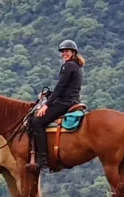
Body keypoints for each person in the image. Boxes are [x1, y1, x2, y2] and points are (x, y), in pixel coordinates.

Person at [29, 40, 85, 170]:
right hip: (72, 100)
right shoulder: (76, 66)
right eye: (63, 52)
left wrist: (46, 105)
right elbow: (64, 87)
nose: (64, 53)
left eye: (67, 51)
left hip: (64, 102)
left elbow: (60, 87)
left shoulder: (68, 66)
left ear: (73, 52)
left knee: (37, 122)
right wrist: (49, 94)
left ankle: (43, 159)